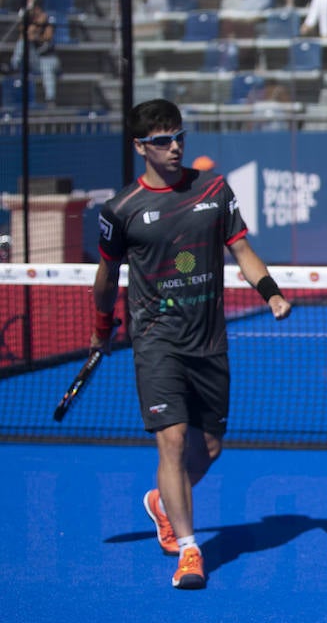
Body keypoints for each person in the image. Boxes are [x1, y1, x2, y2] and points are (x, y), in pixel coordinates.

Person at [90, 99, 291, 590]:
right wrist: (101, 326)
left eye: (179, 137)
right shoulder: (121, 210)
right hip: (156, 339)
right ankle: (189, 550)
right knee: (173, 442)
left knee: (211, 447)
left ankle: (162, 502)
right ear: (141, 147)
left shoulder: (215, 190)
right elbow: (106, 273)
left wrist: (272, 293)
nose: (175, 146)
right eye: (162, 141)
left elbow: (242, 249)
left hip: (209, 341)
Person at [11, 3, 61, 104]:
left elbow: (48, 37)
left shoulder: (48, 24)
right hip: (37, 60)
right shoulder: (30, 24)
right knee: (23, 41)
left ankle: (50, 99)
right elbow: (23, 34)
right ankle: (14, 64)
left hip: (50, 60)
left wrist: (37, 32)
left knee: (46, 67)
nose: (35, 12)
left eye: (37, 9)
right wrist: (35, 25)